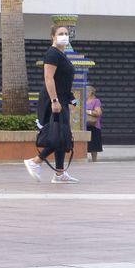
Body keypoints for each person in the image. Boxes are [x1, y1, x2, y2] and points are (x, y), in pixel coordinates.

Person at [24, 23, 79, 184]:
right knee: (60, 135)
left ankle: (59, 173)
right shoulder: (52, 54)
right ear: (53, 37)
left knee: (61, 135)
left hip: (61, 98)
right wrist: (54, 100)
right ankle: (35, 161)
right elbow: (49, 78)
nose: (64, 36)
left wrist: (72, 99)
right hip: (53, 99)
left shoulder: (62, 55)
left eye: (66, 33)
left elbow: (63, 81)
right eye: (60, 33)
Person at [85, 85, 104, 161]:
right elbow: (74, 104)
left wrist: (87, 111)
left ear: (91, 92)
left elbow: (98, 113)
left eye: (86, 91)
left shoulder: (96, 101)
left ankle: (94, 160)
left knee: (94, 144)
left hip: (93, 125)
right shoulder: (81, 100)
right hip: (84, 125)